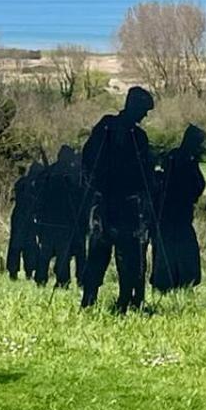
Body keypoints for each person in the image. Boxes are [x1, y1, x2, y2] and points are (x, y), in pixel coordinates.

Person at [80, 86, 156, 312]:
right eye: (143, 110)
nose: (145, 115)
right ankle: (93, 299)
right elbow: (89, 158)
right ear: (133, 106)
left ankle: (120, 301)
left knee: (120, 254)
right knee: (104, 252)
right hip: (111, 201)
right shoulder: (109, 128)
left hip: (118, 201)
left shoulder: (131, 134)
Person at [151, 125, 206, 291]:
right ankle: (172, 281)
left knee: (177, 247)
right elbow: (197, 184)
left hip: (176, 211)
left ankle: (178, 280)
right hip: (174, 210)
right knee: (173, 247)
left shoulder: (178, 157)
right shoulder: (182, 159)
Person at [36, 145, 87, 288]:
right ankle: (61, 280)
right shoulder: (68, 174)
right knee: (61, 252)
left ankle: (44, 279)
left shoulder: (50, 173)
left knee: (48, 252)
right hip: (60, 220)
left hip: (52, 220)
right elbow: (76, 196)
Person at [6, 160, 44, 281]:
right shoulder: (25, 183)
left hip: (28, 218)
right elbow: (26, 199)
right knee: (17, 245)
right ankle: (13, 272)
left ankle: (29, 271)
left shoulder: (31, 183)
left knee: (30, 246)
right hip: (21, 217)